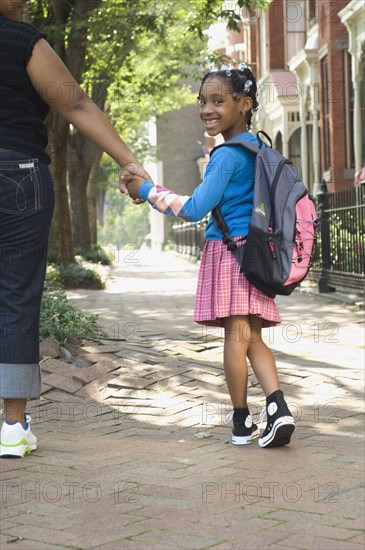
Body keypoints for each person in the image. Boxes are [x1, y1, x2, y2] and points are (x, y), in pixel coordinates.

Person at [0, 0, 150, 458]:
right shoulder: (24, 41)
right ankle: (11, 426)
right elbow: (76, 103)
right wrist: (128, 160)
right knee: (16, 296)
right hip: (20, 174)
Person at [121, 64, 295, 448]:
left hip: (230, 254)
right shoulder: (261, 149)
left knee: (236, 337)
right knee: (251, 336)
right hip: (257, 253)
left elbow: (195, 207)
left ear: (244, 104)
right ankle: (277, 407)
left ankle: (240, 422)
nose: (207, 109)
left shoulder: (226, 156)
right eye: (203, 101)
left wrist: (149, 191)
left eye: (218, 100)